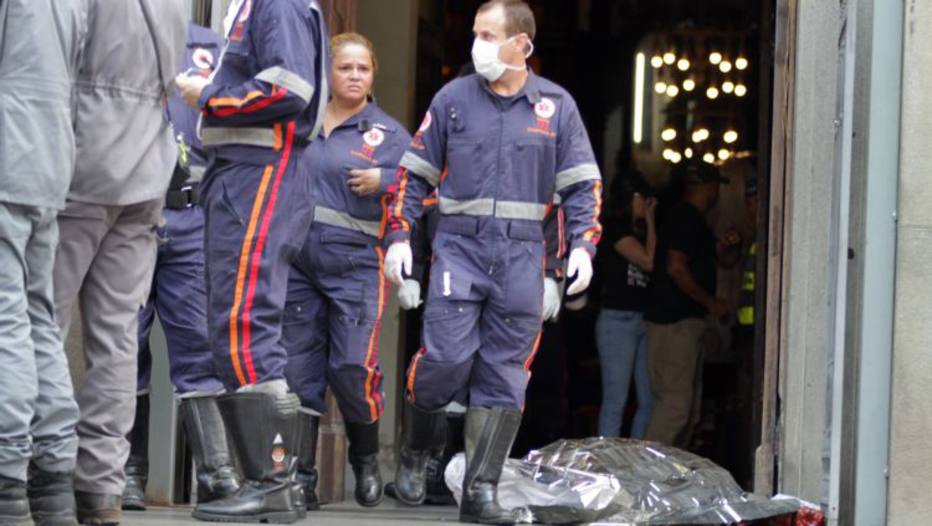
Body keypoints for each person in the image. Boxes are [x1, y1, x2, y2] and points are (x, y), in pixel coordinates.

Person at [382, 1, 603, 523]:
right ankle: (417, 449)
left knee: (505, 377)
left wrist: (582, 250)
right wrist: (399, 238)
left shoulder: (556, 106)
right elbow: (412, 176)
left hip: (523, 255)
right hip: (460, 248)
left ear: (521, 44)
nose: (476, 44)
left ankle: (481, 490)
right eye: (476, 32)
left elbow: (582, 187)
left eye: (488, 34)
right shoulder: (454, 99)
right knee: (445, 362)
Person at [174, 0, 328, 522]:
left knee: (246, 322)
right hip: (241, 173)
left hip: (260, 172)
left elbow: (291, 90)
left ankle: (273, 481)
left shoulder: (275, 4)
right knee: (235, 325)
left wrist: (209, 96)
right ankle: (268, 479)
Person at [52, 1, 186, 523]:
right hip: (145, 169)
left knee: (41, 325)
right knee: (117, 339)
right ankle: (101, 489)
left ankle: (42, 466)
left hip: (81, 162)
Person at [281, 32, 410, 510]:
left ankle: (366, 457)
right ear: (328, 73)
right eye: (345, 68)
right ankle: (302, 477)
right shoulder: (301, 120)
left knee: (353, 368)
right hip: (297, 263)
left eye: (363, 69)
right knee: (298, 371)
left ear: (373, 75)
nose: (355, 76)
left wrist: (388, 178)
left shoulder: (390, 136)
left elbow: (428, 184)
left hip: (357, 265)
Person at [120, 22, 241, 516]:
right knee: (124, 344)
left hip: (192, 216)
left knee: (198, 343)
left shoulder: (212, 46)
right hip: (127, 211)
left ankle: (214, 471)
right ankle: (124, 472)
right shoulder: (118, 29)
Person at [0, 2, 86, 525]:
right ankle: (54, 478)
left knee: (9, 318)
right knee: (35, 317)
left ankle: (7, 473)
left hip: (9, 158)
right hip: (50, 162)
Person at [643, 160, 742, 448]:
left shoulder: (694, 221)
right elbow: (676, 267)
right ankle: (645, 477)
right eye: (716, 187)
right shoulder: (685, 218)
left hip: (684, 325)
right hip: (675, 325)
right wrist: (711, 302)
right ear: (709, 188)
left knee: (688, 411)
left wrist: (731, 243)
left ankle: (670, 480)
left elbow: (724, 258)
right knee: (675, 409)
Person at [595, 174, 657, 439]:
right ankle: (607, 465)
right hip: (617, 320)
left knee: (648, 400)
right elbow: (648, 262)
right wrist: (652, 220)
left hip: (640, 318)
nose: (650, 204)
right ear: (635, 198)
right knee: (615, 402)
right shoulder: (615, 230)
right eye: (646, 199)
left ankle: (633, 460)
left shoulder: (636, 232)